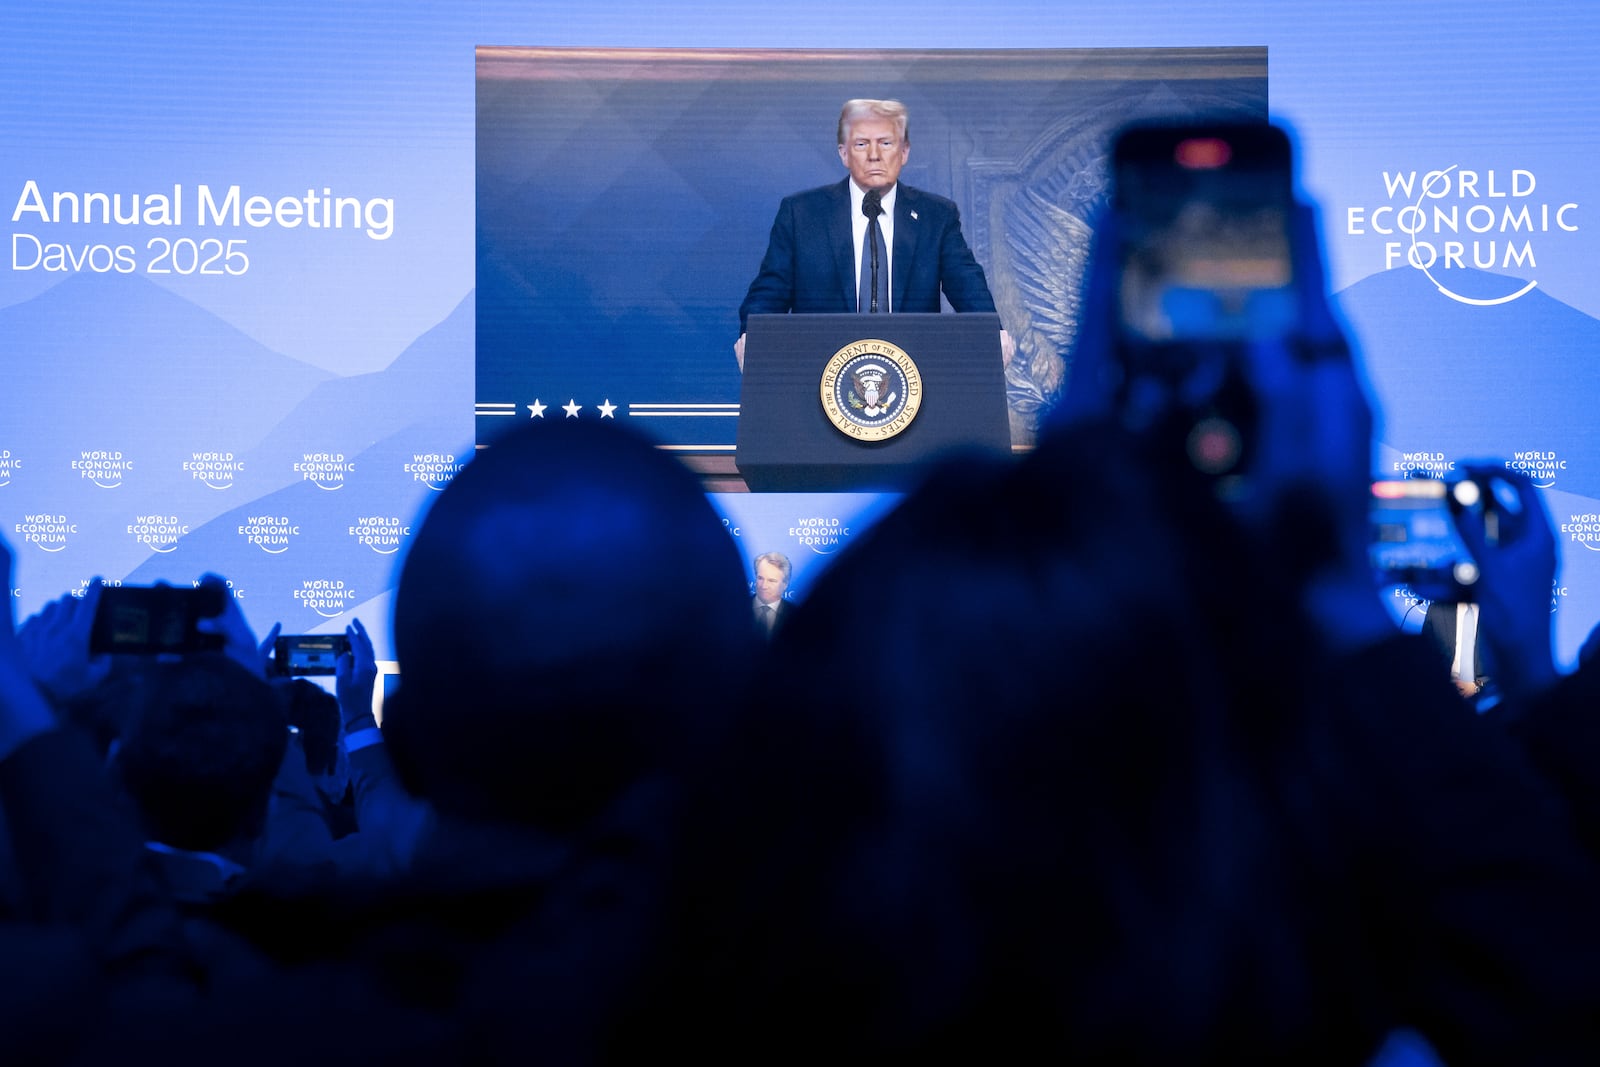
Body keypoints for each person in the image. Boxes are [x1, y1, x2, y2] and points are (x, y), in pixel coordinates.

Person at [734, 98, 1014, 370]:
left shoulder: (936, 216)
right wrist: (753, 335)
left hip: (913, 376)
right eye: (861, 144)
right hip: (820, 374)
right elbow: (769, 292)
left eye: (886, 143)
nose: (874, 155)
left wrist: (992, 330)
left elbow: (968, 285)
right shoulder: (802, 214)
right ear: (843, 153)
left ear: (904, 152)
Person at [750, 551, 793, 638]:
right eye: (760, 578)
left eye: (772, 581)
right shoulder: (736, 609)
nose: (764, 586)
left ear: (785, 584)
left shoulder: (795, 616)